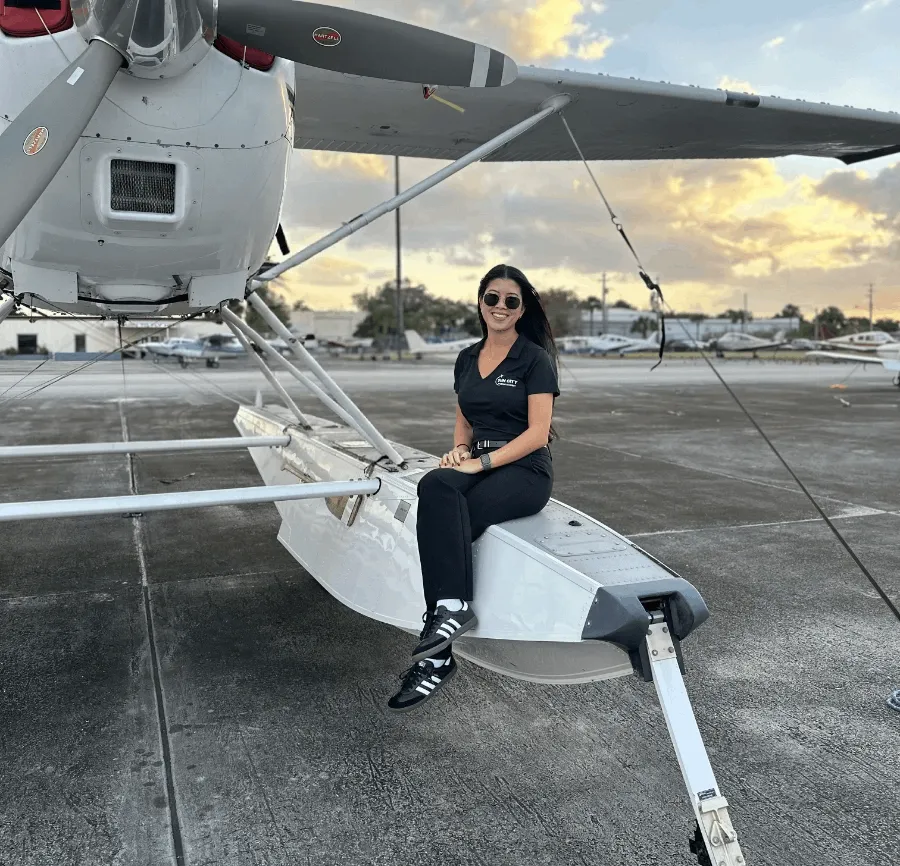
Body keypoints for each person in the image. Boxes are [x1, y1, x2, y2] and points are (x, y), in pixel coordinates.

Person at [388, 264, 560, 712]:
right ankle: (448, 618)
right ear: (480, 302)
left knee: (444, 525)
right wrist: (460, 451)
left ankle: (438, 651)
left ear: (522, 309)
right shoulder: (467, 357)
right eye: (492, 298)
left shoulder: (534, 359)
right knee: (435, 485)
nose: (500, 307)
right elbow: (464, 418)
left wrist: (481, 462)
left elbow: (538, 433)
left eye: (511, 301)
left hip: (524, 470)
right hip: (478, 462)